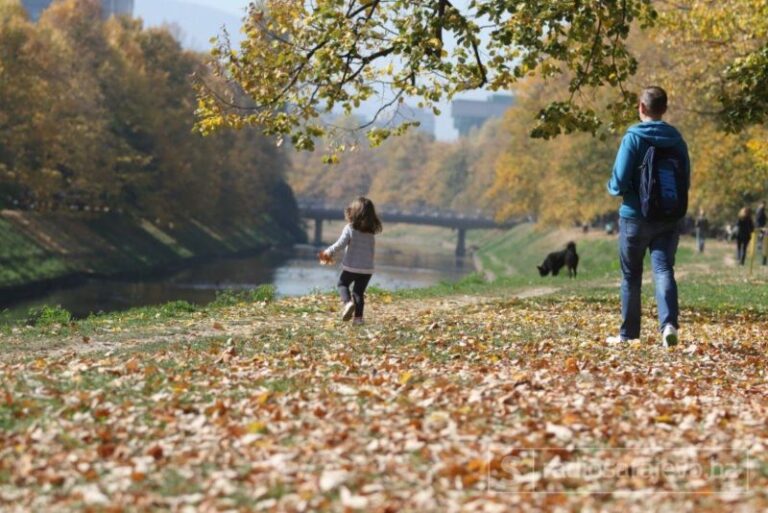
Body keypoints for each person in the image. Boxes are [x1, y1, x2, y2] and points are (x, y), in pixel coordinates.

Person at [606, 86, 690, 347]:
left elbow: (619, 181)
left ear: (641, 107)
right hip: (668, 217)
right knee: (664, 270)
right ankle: (668, 325)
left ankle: (629, 335)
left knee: (631, 276)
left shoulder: (633, 138)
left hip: (634, 217)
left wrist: (613, 189)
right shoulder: (677, 140)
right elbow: (684, 180)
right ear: (664, 108)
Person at [319, 197, 382, 324]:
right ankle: (358, 319)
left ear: (354, 212)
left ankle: (347, 303)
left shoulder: (350, 228)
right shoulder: (371, 232)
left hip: (352, 266)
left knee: (342, 284)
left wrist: (328, 252)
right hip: (367, 269)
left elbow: (340, 244)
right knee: (358, 293)